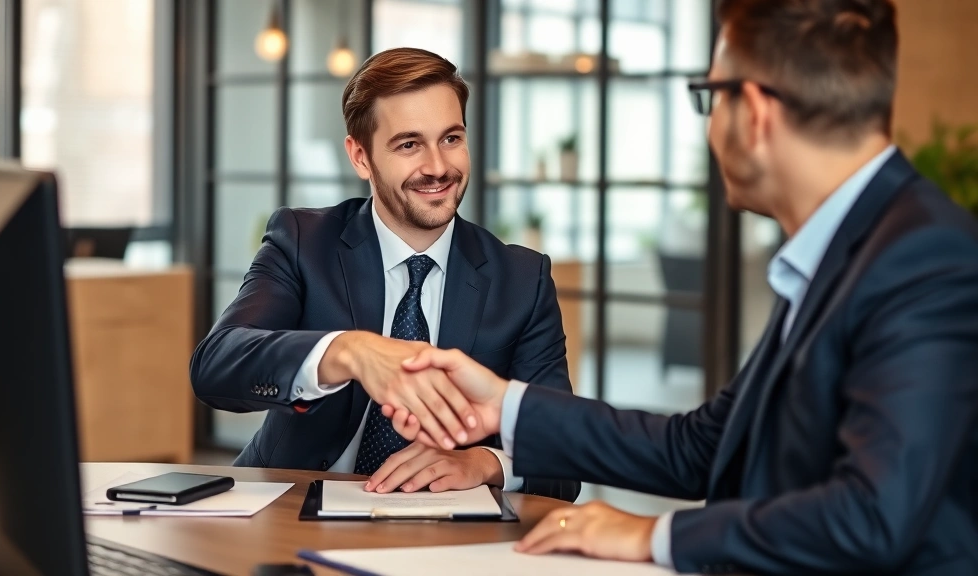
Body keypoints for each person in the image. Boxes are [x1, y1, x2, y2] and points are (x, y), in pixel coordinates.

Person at [387, 0, 978, 573]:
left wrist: (654, 534)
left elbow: (872, 516)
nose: (711, 127)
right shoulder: (847, 249)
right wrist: (502, 403)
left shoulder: (923, 259)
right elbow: (700, 448)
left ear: (755, 112)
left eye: (710, 98)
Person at [190, 47, 580, 502]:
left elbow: (563, 457)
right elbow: (216, 367)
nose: (438, 167)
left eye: (451, 138)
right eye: (409, 144)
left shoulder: (523, 278)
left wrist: (485, 462)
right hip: (290, 507)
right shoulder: (303, 241)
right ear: (360, 157)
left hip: (443, 535)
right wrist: (349, 351)